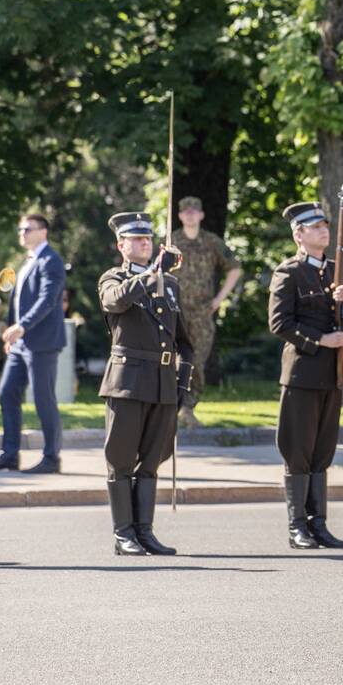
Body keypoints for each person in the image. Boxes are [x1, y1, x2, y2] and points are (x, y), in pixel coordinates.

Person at [98, 212, 193, 555]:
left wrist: (182, 381)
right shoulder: (113, 278)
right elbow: (115, 301)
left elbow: (184, 342)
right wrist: (153, 273)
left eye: (148, 239)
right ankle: (124, 534)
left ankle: (145, 532)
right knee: (121, 459)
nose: (144, 243)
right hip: (127, 380)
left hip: (161, 383)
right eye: (136, 239)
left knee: (151, 460)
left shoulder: (171, 285)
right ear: (121, 245)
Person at [268, 201, 343, 549]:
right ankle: (297, 527)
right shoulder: (288, 273)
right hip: (302, 372)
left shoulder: (336, 271)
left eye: (324, 224)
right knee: (298, 450)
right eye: (315, 226)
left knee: (322, 451)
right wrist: (320, 340)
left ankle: (319, 524)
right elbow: (279, 324)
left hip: (331, 374)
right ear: (298, 234)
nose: (323, 229)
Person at [0, 214, 66, 475]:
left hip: (41, 343)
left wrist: (23, 326)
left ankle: (51, 458)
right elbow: (18, 301)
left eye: (27, 228)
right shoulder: (28, 261)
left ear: (43, 232)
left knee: (44, 400)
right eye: (21, 228)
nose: (22, 232)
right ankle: (10, 455)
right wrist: (11, 331)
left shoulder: (51, 260)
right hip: (21, 343)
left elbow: (48, 300)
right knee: (7, 393)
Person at [170, 196, 242, 428]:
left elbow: (235, 268)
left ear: (201, 215)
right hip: (175, 310)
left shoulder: (211, 241)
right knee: (172, 359)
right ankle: (172, 405)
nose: (190, 214)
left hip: (202, 312)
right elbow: (155, 271)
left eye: (194, 211)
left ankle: (188, 407)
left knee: (197, 360)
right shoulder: (172, 241)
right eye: (185, 211)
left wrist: (219, 299)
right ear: (180, 215)